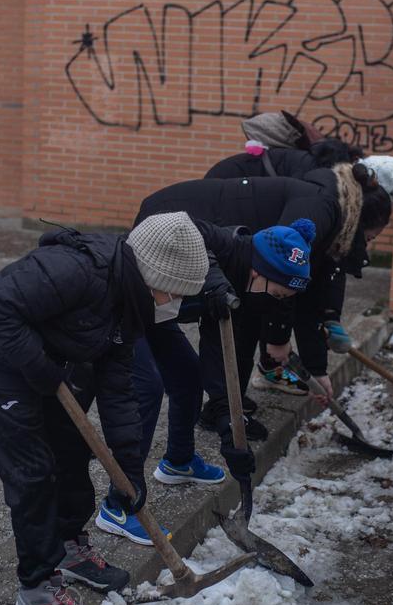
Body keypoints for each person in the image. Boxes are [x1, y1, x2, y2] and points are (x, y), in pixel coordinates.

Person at [0, 212, 209, 605]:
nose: (175, 305)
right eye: (174, 294)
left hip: (49, 362)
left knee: (72, 452)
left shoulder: (129, 302)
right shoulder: (75, 270)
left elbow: (119, 392)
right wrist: (41, 372)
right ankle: (36, 590)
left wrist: (129, 471)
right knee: (33, 475)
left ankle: (68, 546)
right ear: (153, 277)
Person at [93, 218, 318, 544]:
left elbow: (218, 355)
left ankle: (178, 461)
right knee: (147, 388)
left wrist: (229, 423)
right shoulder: (227, 249)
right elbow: (192, 226)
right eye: (280, 293)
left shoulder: (247, 292)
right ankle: (119, 504)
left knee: (189, 373)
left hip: (158, 311)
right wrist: (215, 283)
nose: (279, 302)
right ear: (260, 273)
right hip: (124, 303)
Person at [137, 161, 392, 433]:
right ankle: (216, 408)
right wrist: (277, 339)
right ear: (361, 219)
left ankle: (225, 408)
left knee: (244, 317)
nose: (367, 245)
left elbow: (307, 292)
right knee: (215, 317)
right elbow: (283, 278)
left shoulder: (334, 216)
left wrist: (316, 367)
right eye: (370, 237)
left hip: (224, 240)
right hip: (177, 220)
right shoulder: (320, 208)